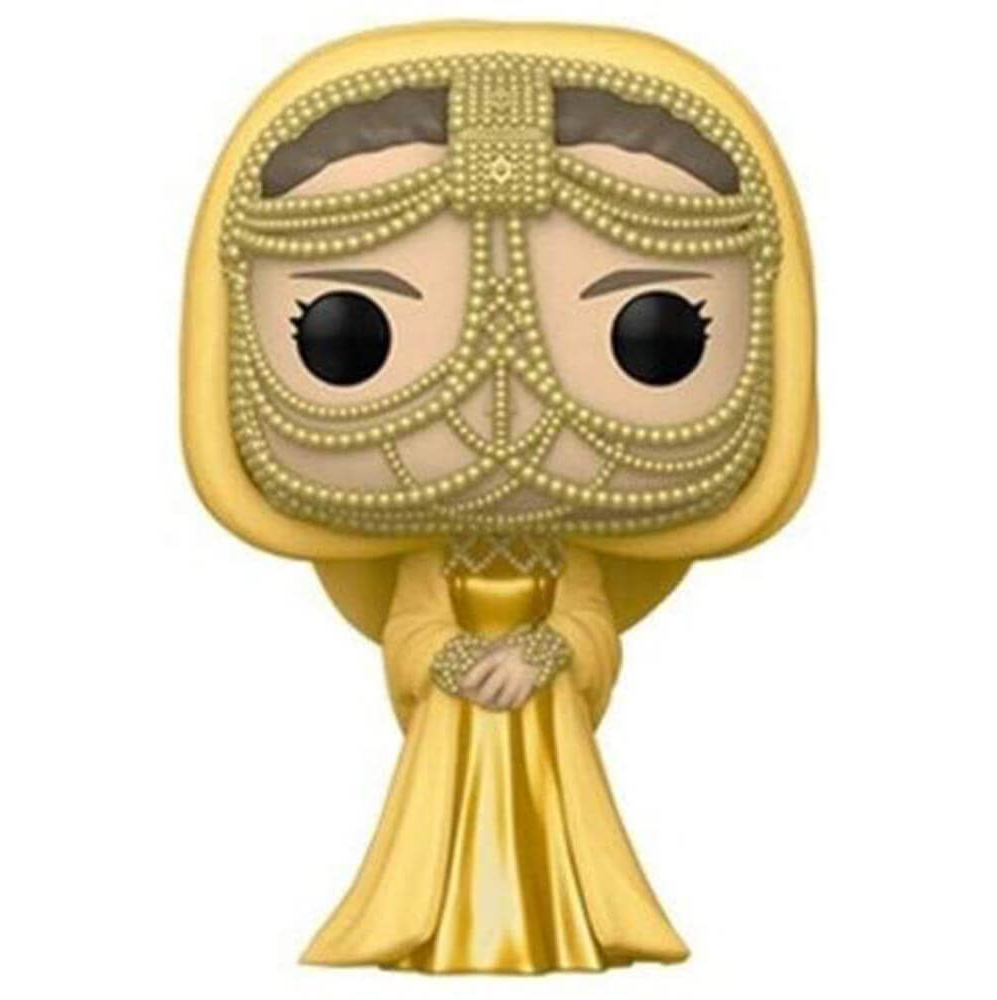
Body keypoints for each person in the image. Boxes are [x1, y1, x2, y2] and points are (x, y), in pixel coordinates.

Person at [182, 22, 816, 973]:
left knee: (551, 825)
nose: (500, 395)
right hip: (457, 707)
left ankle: (557, 920)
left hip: (541, 699)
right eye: (343, 334)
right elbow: (409, 628)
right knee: (445, 833)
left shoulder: (567, 551)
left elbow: (591, 621)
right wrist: (450, 662)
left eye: (662, 334)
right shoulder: (432, 554)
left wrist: (541, 654)